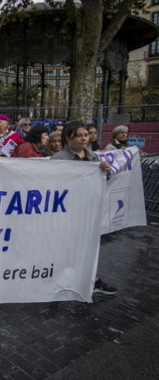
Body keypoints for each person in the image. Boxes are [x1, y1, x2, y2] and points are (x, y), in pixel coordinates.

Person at [51, 121, 115, 295]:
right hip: (67, 212)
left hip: (88, 211)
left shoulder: (93, 157)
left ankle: (91, 280)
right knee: (65, 247)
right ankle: (60, 280)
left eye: (86, 135)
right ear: (68, 137)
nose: (84, 139)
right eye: (79, 135)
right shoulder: (59, 159)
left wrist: (105, 171)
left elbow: (104, 180)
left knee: (87, 246)